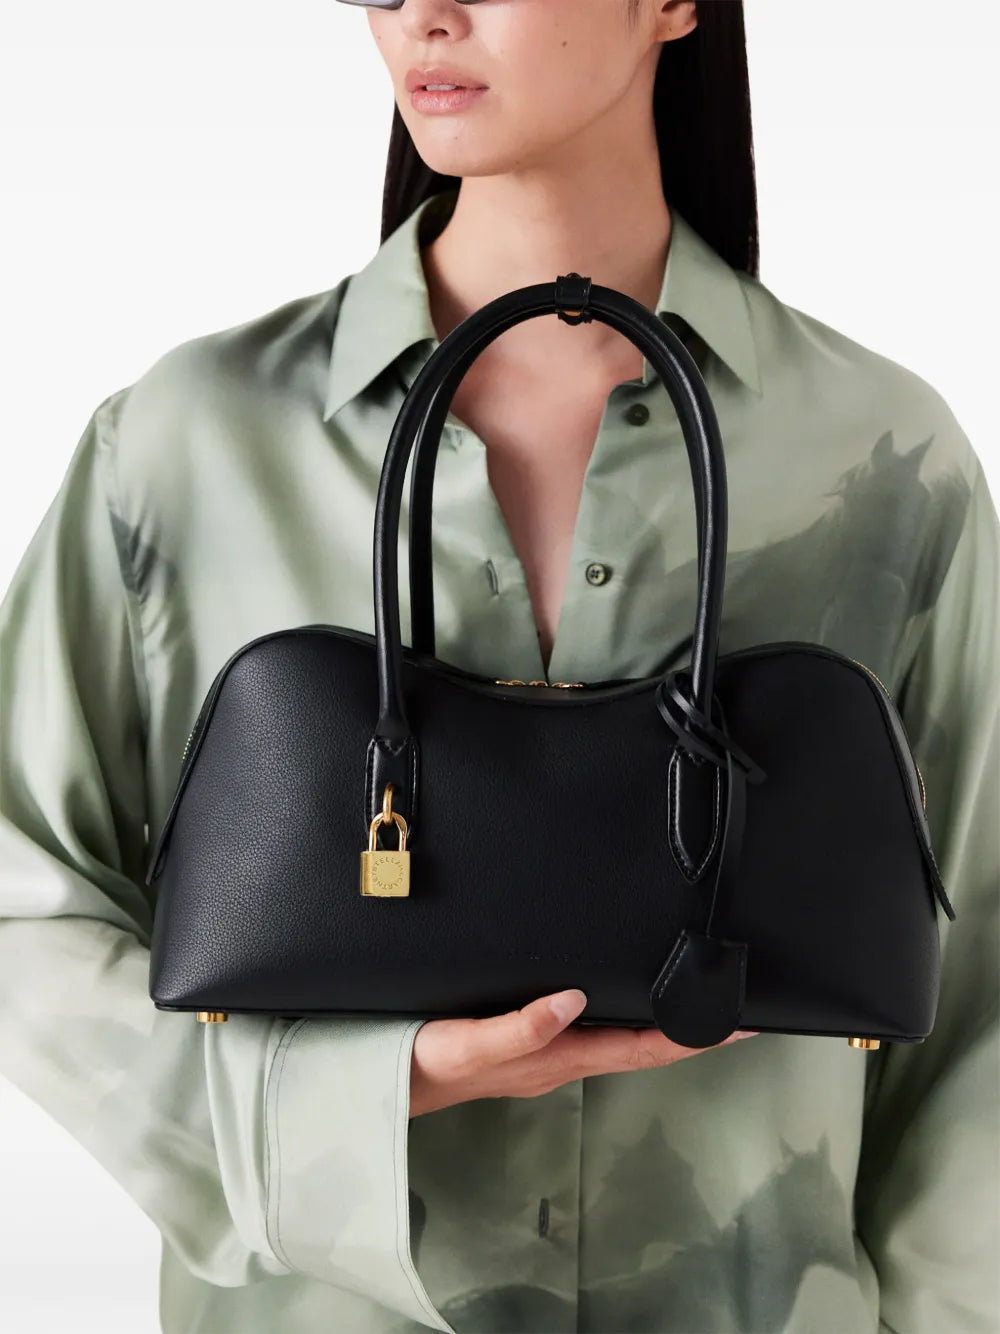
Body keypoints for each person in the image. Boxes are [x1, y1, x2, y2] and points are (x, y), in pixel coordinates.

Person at [1, 1, 997, 1331]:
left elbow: (983, 971)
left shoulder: (880, 458)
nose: (422, 10)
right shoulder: (190, 443)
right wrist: (340, 1101)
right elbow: (20, 896)